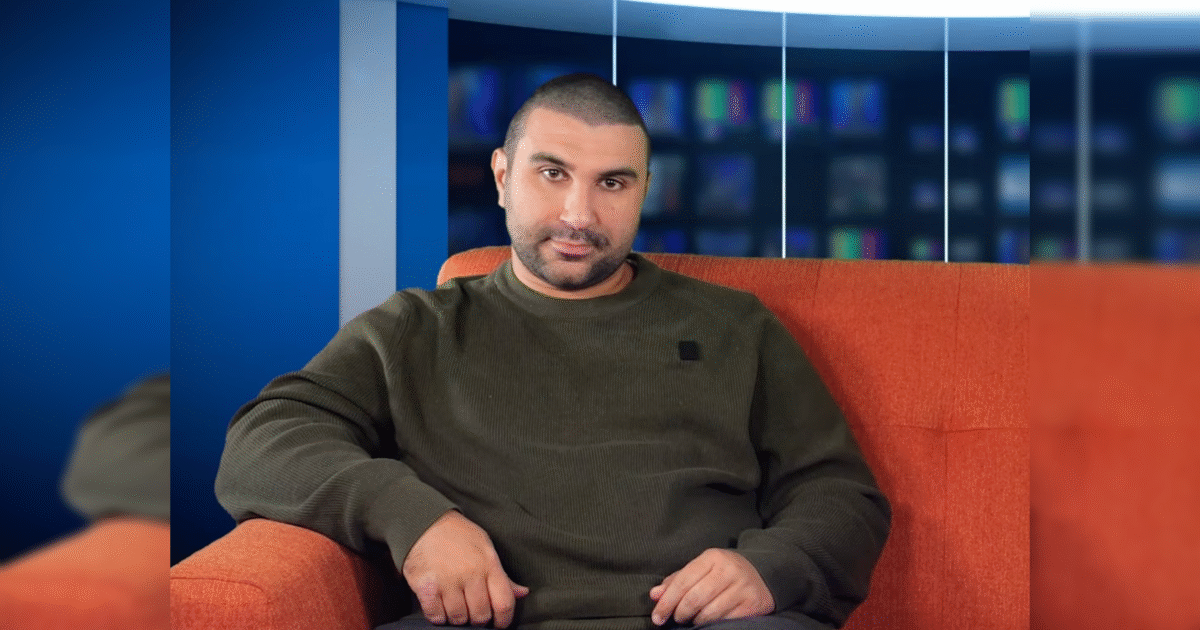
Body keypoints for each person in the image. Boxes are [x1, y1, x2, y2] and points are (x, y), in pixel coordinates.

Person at [215, 73, 890, 630]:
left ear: (644, 192)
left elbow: (840, 494)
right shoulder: (415, 327)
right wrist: (412, 518)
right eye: (552, 173)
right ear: (504, 176)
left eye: (612, 183)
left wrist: (770, 567)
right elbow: (265, 440)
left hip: (711, 623)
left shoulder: (735, 326)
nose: (579, 214)